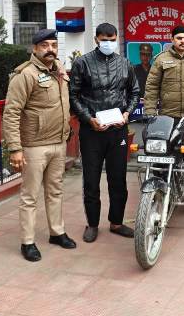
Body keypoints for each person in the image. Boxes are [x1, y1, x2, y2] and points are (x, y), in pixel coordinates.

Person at [3, 29, 76, 262]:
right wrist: (15, 148)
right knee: (30, 196)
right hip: (34, 145)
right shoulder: (25, 75)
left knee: (55, 190)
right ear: (35, 48)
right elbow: (11, 113)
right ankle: (27, 242)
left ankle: (57, 232)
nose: (50, 49)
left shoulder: (59, 70)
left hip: (58, 142)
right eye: (44, 45)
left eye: (54, 45)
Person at [69, 23, 140, 242]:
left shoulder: (125, 64)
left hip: (118, 130)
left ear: (117, 39)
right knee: (91, 180)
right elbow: (73, 95)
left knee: (118, 179)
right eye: (104, 40)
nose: (108, 43)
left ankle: (116, 222)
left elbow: (134, 92)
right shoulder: (82, 63)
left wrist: (127, 113)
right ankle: (92, 224)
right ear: (96, 40)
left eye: (112, 39)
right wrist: (88, 119)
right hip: (92, 131)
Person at [143, 26, 184, 119]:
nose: (183, 41)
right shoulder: (161, 59)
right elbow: (152, 87)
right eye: (179, 38)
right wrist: (150, 111)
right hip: (167, 116)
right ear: (172, 40)